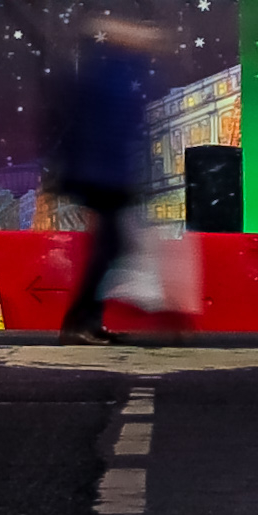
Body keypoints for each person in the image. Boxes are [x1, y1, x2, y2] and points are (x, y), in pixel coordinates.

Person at [45, 17, 153, 340]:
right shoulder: (110, 76)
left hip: (103, 174)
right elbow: (107, 132)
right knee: (108, 247)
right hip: (104, 175)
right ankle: (80, 320)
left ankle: (85, 319)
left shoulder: (102, 74)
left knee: (108, 246)